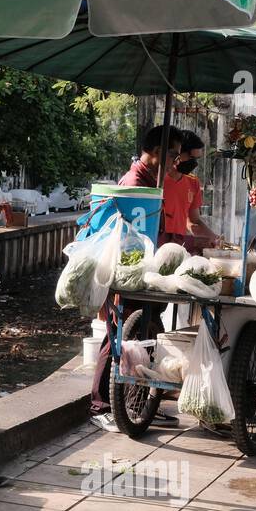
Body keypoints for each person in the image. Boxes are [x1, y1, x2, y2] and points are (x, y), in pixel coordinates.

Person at [89, 125, 181, 431]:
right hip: (129, 273)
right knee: (117, 338)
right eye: (172, 155)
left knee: (148, 335)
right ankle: (101, 404)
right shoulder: (133, 183)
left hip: (148, 273)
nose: (175, 163)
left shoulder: (152, 183)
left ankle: (141, 403)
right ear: (156, 152)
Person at [161, 130, 219, 254]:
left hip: (180, 249)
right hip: (159, 246)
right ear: (178, 152)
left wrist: (214, 239)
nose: (194, 163)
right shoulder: (158, 181)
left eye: (197, 159)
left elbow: (194, 221)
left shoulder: (193, 182)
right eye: (191, 158)